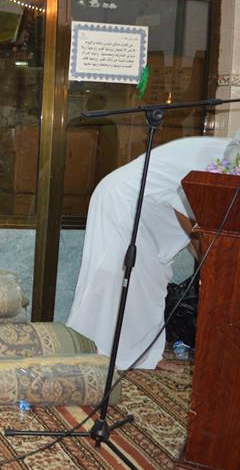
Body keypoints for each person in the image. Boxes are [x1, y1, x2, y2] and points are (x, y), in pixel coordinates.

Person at [65, 134, 233, 370]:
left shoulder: (228, 158)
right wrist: (207, 260)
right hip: (125, 201)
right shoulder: (226, 163)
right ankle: (87, 349)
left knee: (151, 284)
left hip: (151, 210)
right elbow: (187, 212)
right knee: (109, 280)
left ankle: (144, 356)